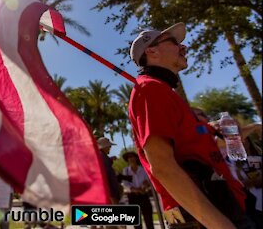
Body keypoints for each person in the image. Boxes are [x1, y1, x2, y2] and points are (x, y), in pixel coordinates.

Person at [127, 22, 254, 228]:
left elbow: (212, 146)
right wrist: (221, 225)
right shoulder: (150, 89)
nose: (183, 48)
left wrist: (251, 127)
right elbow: (163, 167)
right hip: (206, 218)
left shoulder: (166, 93)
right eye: (174, 42)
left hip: (228, 206)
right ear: (152, 51)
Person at [121, 151, 153, 229]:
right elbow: (125, 184)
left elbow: (148, 181)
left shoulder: (142, 169)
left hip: (144, 196)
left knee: (148, 218)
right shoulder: (126, 171)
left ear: (136, 158)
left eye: (132, 156)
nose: (131, 159)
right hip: (132, 197)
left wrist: (145, 185)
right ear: (127, 160)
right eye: (129, 157)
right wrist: (136, 190)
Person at [97, 137, 122, 204]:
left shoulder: (102, 157)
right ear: (104, 147)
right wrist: (113, 194)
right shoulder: (102, 157)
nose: (110, 147)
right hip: (110, 193)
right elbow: (107, 176)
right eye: (109, 146)